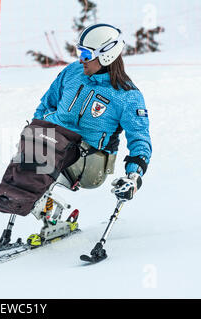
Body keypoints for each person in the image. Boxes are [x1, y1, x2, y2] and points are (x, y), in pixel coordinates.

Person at [33, 23, 152, 201]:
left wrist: (134, 176)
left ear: (106, 55)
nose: (81, 60)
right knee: (28, 151)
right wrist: (36, 130)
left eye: (86, 55)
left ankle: (34, 201)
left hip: (90, 163)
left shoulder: (127, 96)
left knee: (40, 157)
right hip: (56, 144)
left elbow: (140, 139)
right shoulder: (73, 71)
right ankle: (27, 205)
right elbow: (46, 104)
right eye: (79, 52)